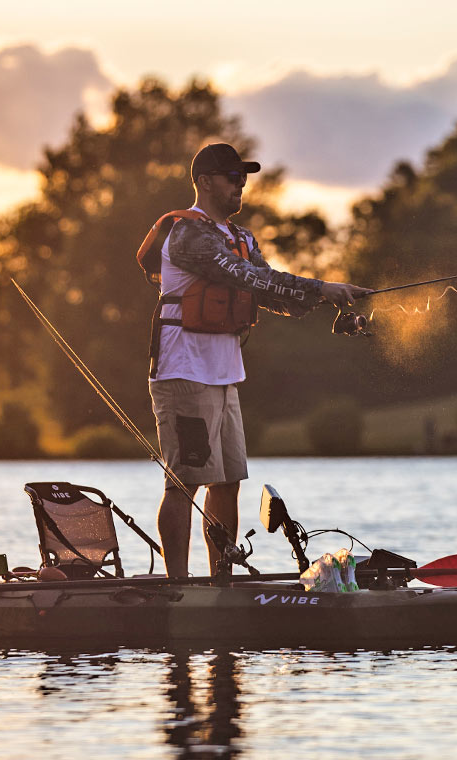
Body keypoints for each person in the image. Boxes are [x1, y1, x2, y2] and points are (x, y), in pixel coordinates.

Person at [140, 142, 370, 577]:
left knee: (227, 484)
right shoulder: (189, 234)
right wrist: (321, 287)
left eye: (243, 179)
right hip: (184, 373)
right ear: (205, 182)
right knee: (185, 482)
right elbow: (246, 276)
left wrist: (334, 299)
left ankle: (220, 583)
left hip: (225, 375)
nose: (240, 186)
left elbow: (269, 292)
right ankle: (178, 587)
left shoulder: (241, 237)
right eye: (231, 178)